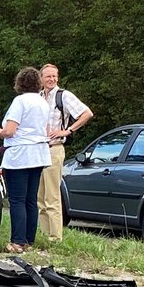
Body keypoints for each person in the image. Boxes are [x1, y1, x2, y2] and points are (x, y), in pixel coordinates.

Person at [0, 66, 52, 253]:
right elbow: (46, 129)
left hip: (20, 154)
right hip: (39, 153)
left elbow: (11, 130)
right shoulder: (43, 102)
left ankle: (17, 241)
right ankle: (28, 240)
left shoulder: (20, 101)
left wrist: (0, 133)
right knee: (30, 199)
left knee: (17, 199)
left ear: (20, 83)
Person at [38, 63, 93, 243]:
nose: (52, 79)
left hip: (54, 149)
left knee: (52, 195)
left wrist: (68, 131)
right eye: (48, 77)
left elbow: (87, 113)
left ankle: (55, 238)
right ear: (41, 79)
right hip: (38, 150)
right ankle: (44, 235)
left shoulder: (64, 96)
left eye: (54, 76)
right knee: (40, 197)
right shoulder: (38, 97)